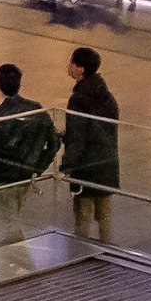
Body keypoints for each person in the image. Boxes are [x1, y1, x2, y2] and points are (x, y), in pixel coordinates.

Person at [0, 63, 61, 235]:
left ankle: (17, 249)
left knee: (10, 221)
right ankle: (17, 247)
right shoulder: (36, 109)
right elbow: (54, 141)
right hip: (26, 173)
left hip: (4, 178)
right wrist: (38, 168)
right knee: (15, 215)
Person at [60, 44, 121, 241]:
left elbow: (77, 137)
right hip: (107, 164)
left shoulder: (78, 99)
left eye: (72, 63)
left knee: (82, 217)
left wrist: (66, 166)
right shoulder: (108, 96)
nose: (69, 66)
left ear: (80, 69)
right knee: (104, 217)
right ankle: (107, 250)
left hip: (86, 167)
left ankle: (80, 252)